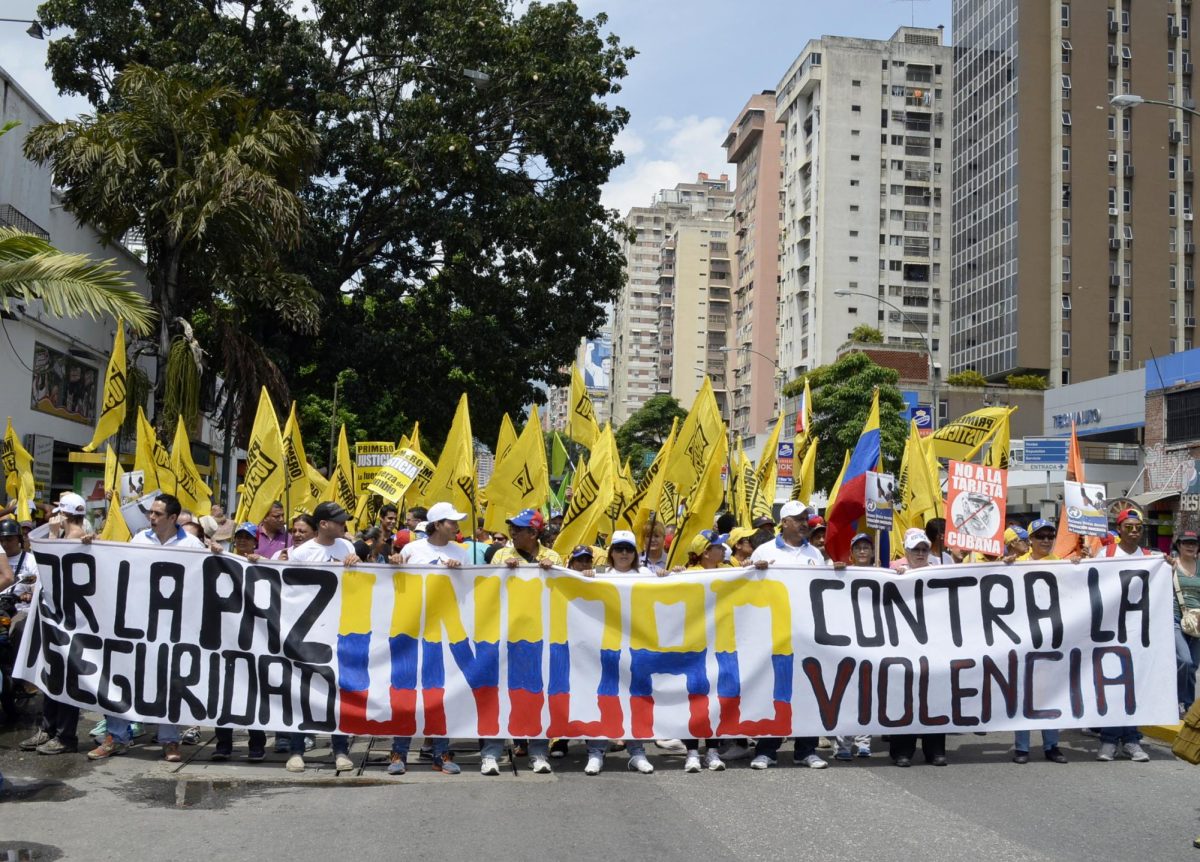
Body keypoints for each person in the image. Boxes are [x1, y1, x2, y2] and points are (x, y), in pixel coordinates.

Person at [88, 494, 209, 763]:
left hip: (172, 627)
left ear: (173, 518)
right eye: (150, 513)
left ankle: (169, 740)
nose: (151, 518)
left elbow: (205, 579)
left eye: (157, 514)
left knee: (167, 682)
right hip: (137, 622)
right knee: (121, 678)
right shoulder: (140, 539)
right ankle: (115, 737)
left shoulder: (191, 544)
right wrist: (92, 548)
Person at [282, 501, 361, 773]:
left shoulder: (347, 547)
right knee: (302, 690)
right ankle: (296, 749)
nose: (344, 526)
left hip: (340, 630)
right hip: (307, 632)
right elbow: (289, 592)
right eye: (339, 521)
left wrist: (357, 566)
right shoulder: (302, 553)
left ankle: (340, 749)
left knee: (337, 690)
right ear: (324, 524)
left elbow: (359, 587)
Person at [750, 500, 826, 770]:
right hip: (772, 633)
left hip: (807, 634)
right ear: (785, 522)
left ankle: (806, 749)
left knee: (809, 688)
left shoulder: (816, 555)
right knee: (772, 690)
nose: (805, 522)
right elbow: (744, 589)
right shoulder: (764, 550)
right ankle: (766, 750)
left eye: (806, 517)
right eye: (798, 518)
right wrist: (754, 571)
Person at [483, 509, 560, 775]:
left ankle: (539, 752)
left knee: (535, 694)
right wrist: (502, 574)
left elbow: (561, 595)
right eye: (512, 528)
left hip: (539, 638)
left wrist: (553, 574)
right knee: (499, 694)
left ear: (534, 533)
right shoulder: (502, 555)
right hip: (505, 637)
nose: (512, 533)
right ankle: (491, 754)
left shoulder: (553, 558)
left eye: (518, 529)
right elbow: (486, 590)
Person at [584, 530, 656, 775]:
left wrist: (672, 574)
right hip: (607, 648)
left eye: (628, 549)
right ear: (611, 552)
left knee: (636, 698)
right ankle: (596, 752)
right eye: (619, 549)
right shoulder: (600, 576)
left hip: (638, 648)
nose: (623, 553)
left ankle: (637, 752)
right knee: (604, 697)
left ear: (635, 553)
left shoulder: (647, 575)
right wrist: (582, 577)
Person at [1096, 509, 1155, 763]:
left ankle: (1132, 740)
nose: (1134, 531)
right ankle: (1109, 741)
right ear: (1119, 529)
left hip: (1139, 632)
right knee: (1114, 686)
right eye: (1129, 526)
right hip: (1111, 632)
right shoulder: (1106, 554)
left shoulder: (1152, 558)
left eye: (1138, 527)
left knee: (1135, 686)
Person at [886, 528, 948, 767]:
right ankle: (902, 749)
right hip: (904, 647)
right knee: (905, 698)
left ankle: (935, 750)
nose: (920, 553)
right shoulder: (894, 573)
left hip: (935, 646)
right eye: (916, 549)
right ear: (907, 552)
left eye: (924, 549)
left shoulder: (939, 572)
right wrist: (895, 577)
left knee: (935, 697)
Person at [831, 532, 876, 761]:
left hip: (873, 643)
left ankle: (864, 741)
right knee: (846, 693)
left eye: (866, 547)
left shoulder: (882, 574)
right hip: (847, 643)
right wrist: (835, 572)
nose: (862, 551)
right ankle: (842, 744)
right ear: (851, 552)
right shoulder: (842, 573)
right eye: (857, 547)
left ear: (872, 551)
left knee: (868, 694)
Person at [1173, 530, 1200, 715]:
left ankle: (1188, 704)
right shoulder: (1170, 565)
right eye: (1186, 542)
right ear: (1179, 545)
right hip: (1175, 618)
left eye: (1194, 543)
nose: (1190, 546)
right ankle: (1178, 700)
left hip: (1198, 621)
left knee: (1193, 666)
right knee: (1185, 661)